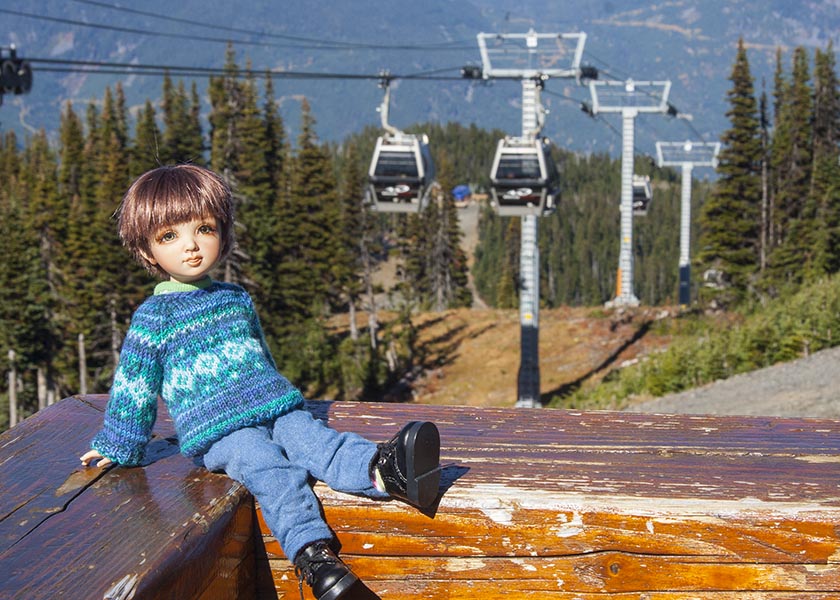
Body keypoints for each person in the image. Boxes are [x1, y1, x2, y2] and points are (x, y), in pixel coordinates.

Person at [80, 164, 442, 600]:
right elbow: (135, 387)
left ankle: (386, 473)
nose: (191, 246)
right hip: (219, 431)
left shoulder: (236, 298)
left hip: (273, 405)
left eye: (204, 229)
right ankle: (314, 557)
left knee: (317, 442)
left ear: (223, 232)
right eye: (169, 236)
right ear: (147, 251)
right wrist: (120, 442)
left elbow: (261, 356)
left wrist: (288, 399)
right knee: (270, 470)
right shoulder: (154, 319)